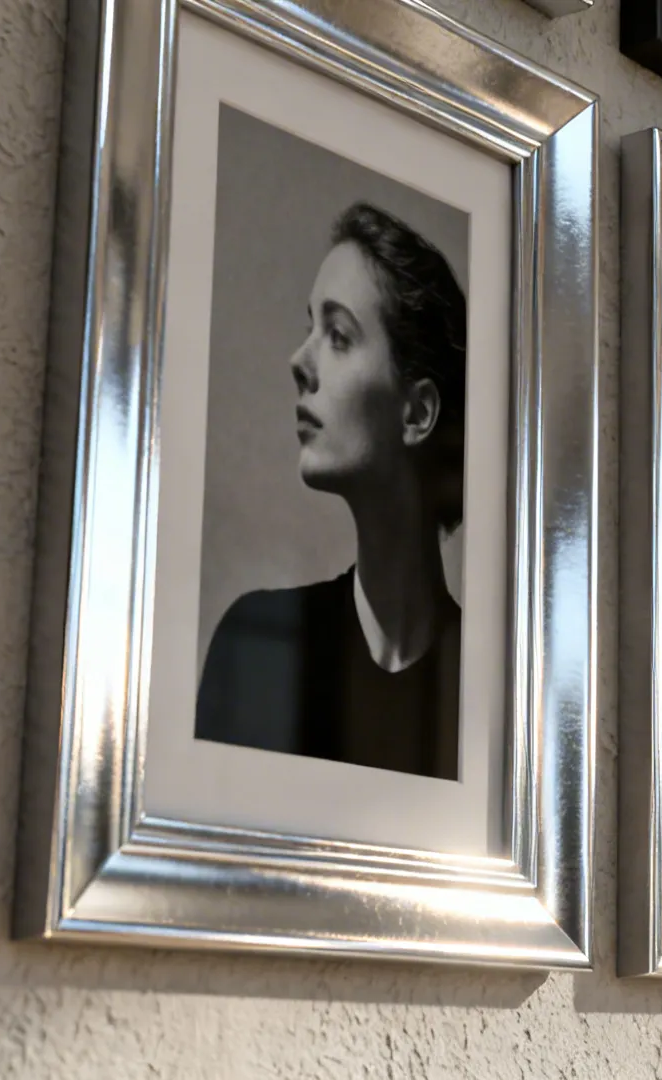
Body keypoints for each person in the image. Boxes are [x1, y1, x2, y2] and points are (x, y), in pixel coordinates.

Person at [195, 202, 465, 780]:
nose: (299, 360)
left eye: (338, 335)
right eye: (309, 327)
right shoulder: (257, 647)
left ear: (416, 412)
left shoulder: (491, 687)